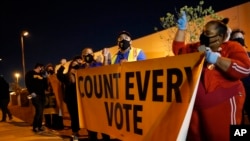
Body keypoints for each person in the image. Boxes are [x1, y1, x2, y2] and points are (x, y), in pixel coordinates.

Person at [172, 12, 250, 141]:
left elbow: (245, 68)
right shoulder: (200, 47)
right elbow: (179, 51)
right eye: (203, 32)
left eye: (208, 33)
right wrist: (182, 30)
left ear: (219, 37)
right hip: (196, 108)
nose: (203, 35)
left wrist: (217, 60)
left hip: (223, 105)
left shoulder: (231, 47)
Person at [81, 47, 111, 141]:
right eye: (86, 54)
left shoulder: (97, 64)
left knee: (104, 128)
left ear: (93, 55)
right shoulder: (80, 68)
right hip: (89, 104)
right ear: (83, 56)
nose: (88, 55)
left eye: (90, 53)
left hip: (100, 101)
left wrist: (105, 57)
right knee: (92, 130)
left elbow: (105, 70)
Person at [56, 56, 83, 141]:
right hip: (71, 100)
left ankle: (84, 132)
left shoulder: (82, 73)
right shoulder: (67, 76)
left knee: (81, 117)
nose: (75, 66)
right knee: (74, 117)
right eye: (73, 65)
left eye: (77, 65)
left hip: (81, 100)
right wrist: (62, 65)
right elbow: (59, 75)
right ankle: (75, 133)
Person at [230, 29, 250, 124]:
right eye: (236, 39)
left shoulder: (249, 55)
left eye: (241, 39)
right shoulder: (227, 58)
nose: (239, 41)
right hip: (236, 95)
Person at [25, 63, 48, 133]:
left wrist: (45, 78)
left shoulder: (42, 74)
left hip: (42, 95)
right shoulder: (30, 73)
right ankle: (35, 127)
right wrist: (31, 92)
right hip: (35, 94)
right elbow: (28, 83)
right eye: (42, 68)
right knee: (39, 110)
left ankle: (40, 126)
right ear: (39, 67)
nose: (43, 69)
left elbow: (45, 86)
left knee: (41, 111)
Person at [44, 63, 64, 130]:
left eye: (51, 68)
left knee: (59, 110)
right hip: (49, 96)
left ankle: (59, 124)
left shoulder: (57, 76)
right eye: (48, 68)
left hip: (58, 95)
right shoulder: (46, 77)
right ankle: (49, 124)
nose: (50, 69)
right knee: (49, 111)